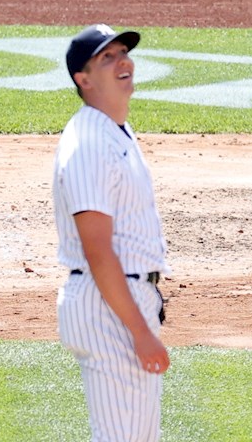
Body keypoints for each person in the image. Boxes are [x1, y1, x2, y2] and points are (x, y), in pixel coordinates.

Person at [53, 24, 170, 441]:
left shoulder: (114, 131)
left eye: (123, 52)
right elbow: (98, 250)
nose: (123, 61)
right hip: (109, 309)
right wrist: (139, 332)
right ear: (82, 80)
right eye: (107, 57)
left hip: (119, 301)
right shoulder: (89, 143)